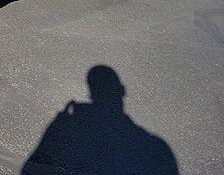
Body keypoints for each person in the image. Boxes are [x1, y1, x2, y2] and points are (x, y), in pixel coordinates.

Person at [22, 65, 178, 175]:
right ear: (122, 90)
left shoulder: (70, 124)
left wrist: (59, 122)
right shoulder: (155, 146)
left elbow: (32, 165)